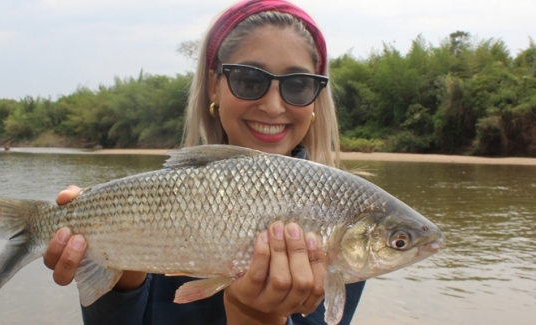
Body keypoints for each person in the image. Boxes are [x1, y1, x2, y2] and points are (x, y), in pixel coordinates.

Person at [43, 0, 365, 324]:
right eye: (249, 80)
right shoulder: (162, 199)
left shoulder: (344, 217)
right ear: (214, 86)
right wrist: (118, 264)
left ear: (316, 98)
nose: (272, 105)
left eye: (297, 85)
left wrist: (255, 315)